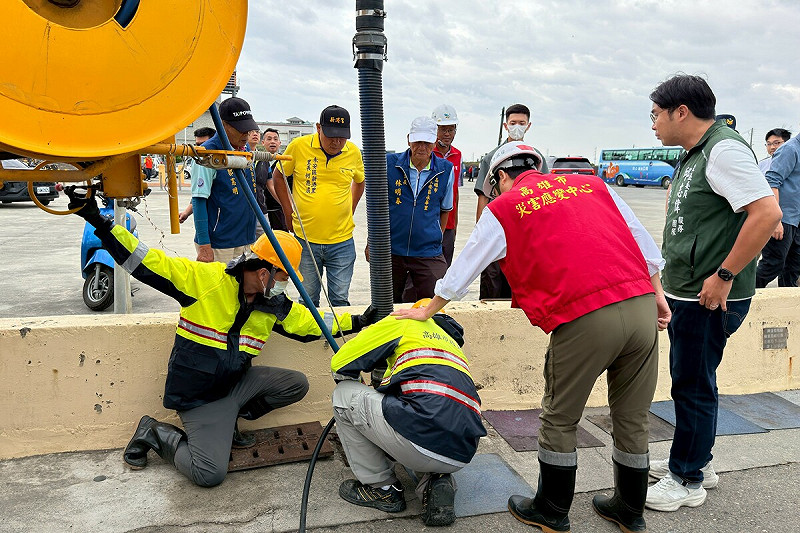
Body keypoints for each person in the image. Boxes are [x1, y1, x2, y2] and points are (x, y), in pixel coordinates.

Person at [395, 142, 669, 533]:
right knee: (633, 415)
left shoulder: (506, 207)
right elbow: (645, 245)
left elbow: (465, 267)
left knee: (560, 417)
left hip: (585, 315)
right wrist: (657, 296)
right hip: (641, 303)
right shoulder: (593, 186)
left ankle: (552, 509)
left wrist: (427, 309)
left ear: (500, 177)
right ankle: (629, 509)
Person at [65, 187, 377, 487]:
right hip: (199, 397)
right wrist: (99, 222)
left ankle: (229, 421)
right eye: (285, 277)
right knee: (208, 473)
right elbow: (147, 261)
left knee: (296, 384)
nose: (286, 285)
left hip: (234, 386)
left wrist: (359, 320)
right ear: (264, 272)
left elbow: (308, 323)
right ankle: (156, 432)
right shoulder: (206, 281)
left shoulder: (272, 305)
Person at [645, 75, 781, 512]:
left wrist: (724, 274)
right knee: (696, 380)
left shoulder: (722, 149)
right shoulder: (694, 154)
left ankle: (686, 478)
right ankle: (698, 459)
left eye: (655, 115)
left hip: (709, 296)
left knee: (692, 384)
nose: (653, 126)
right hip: (690, 290)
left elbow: (766, 213)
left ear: (680, 111)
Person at [331, 299, 486, 527]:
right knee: (418, 413)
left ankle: (382, 488)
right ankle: (436, 479)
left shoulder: (404, 321)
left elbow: (340, 363)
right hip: (463, 452)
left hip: (420, 439)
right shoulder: (453, 344)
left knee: (344, 394)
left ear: (415, 311)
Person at [272, 105, 365, 307]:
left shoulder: (353, 152)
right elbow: (279, 176)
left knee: (340, 300)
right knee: (308, 300)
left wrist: (350, 209)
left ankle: (337, 338)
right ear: (318, 128)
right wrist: (288, 212)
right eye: (332, 136)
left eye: (342, 137)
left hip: (342, 241)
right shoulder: (299, 146)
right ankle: (309, 338)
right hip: (305, 240)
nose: (337, 142)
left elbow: (360, 181)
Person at [473, 104, 548, 300]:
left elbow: (545, 196)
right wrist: (481, 232)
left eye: (521, 123)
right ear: (505, 125)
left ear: (528, 126)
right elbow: (483, 196)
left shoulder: (536, 157)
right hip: (498, 227)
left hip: (525, 232)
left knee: (520, 288)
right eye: (513, 123)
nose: (517, 127)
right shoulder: (492, 157)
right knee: (492, 282)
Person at [376, 116, 454, 303]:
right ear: (408, 139)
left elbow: (446, 209)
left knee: (435, 300)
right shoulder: (389, 164)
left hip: (427, 251)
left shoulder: (445, 169)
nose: (421, 147)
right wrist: (374, 241)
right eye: (417, 141)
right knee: (387, 303)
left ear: (435, 142)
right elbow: (377, 208)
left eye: (427, 142)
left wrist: (436, 237)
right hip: (392, 248)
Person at [191, 97, 259, 263]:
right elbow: (199, 200)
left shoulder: (244, 150)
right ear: (223, 124)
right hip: (220, 243)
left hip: (245, 239)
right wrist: (204, 245)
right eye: (240, 129)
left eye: (248, 129)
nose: (246, 134)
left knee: (242, 288)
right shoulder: (207, 154)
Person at [756, 132, 800, 288]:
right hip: (783, 218)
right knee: (772, 265)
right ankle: (740, 300)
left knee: (793, 268)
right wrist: (776, 220)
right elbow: (772, 182)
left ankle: (787, 309)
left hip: (796, 220)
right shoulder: (790, 149)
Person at [431, 104, 462, 266]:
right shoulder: (426, 152)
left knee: (444, 269)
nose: (447, 134)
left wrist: (455, 226)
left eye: (451, 129)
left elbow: (455, 193)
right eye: (443, 129)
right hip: (428, 223)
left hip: (448, 226)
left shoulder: (457, 155)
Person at [178, 128, 218, 223]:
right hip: (212, 223)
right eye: (198, 145)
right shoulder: (200, 161)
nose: (200, 148)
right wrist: (186, 212)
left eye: (204, 144)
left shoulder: (222, 160)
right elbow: (199, 195)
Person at [256, 128, 290, 232]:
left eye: (275, 139)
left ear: (279, 143)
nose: (272, 142)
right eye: (269, 139)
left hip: (279, 210)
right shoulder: (258, 160)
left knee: (282, 239)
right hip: (261, 209)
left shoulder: (285, 162)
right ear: (263, 142)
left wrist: (287, 206)